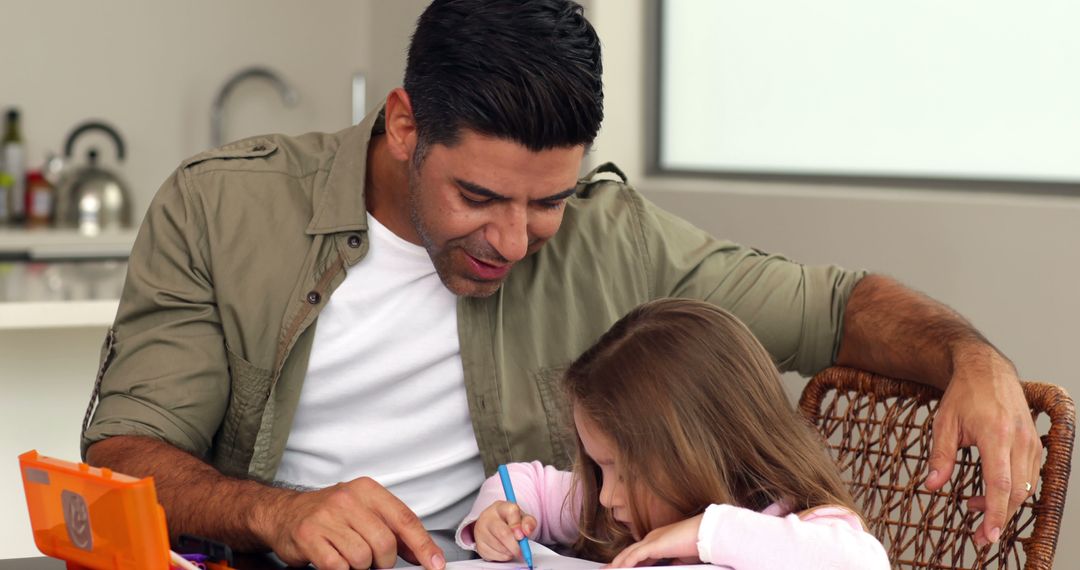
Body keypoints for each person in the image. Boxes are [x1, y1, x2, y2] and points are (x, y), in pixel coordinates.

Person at [81, 1, 1039, 569]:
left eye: (548, 202)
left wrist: (970, 354)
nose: (514, 240)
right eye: (479, 196)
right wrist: (276, 512)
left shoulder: (610, 236)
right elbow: (125, 453)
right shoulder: (221, 210)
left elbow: (829, 306)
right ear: (406, 125)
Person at [457, 299, 889, 569]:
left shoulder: (793, 525)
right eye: (600, 469)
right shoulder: (619, 513)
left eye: (623, 473)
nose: (607, 497)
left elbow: (861, 561)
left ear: (701, 449)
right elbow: (525, 482)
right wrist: (498, 517)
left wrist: (706, 532)